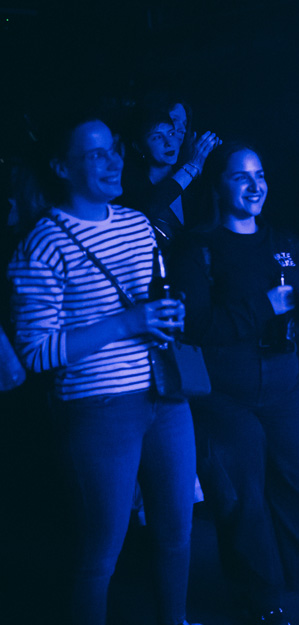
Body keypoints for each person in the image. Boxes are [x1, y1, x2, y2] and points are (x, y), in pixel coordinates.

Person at [7, 113, 197, 625]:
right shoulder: (43, 243)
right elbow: (35, 352)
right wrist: (128, 322)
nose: (113, 162)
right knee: (99, 555)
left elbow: (153, 302)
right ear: (61, 167)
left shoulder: (136, 223)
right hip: (100, 408)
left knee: (177, 532)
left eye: (113, 149)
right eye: (96, 154)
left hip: (166, 394)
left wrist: (167, 316)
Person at [172, 143, 299, 625]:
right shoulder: (198, 248)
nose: (255, 185)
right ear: (218, 185)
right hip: (223, 389)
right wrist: (264, 306)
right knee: (243, 494)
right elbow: (193, 326)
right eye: (241, 177)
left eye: (259, 175)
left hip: (284, 379)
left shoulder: (287, 242)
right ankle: (258, 593)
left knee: (295, 479)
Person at [118, 101, 220, 249]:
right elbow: (150, 208)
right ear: (139, 147)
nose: (169, 142)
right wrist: (193, 166)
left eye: (171, 133)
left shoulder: (193, 185)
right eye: (157, 137)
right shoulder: (131, 188)